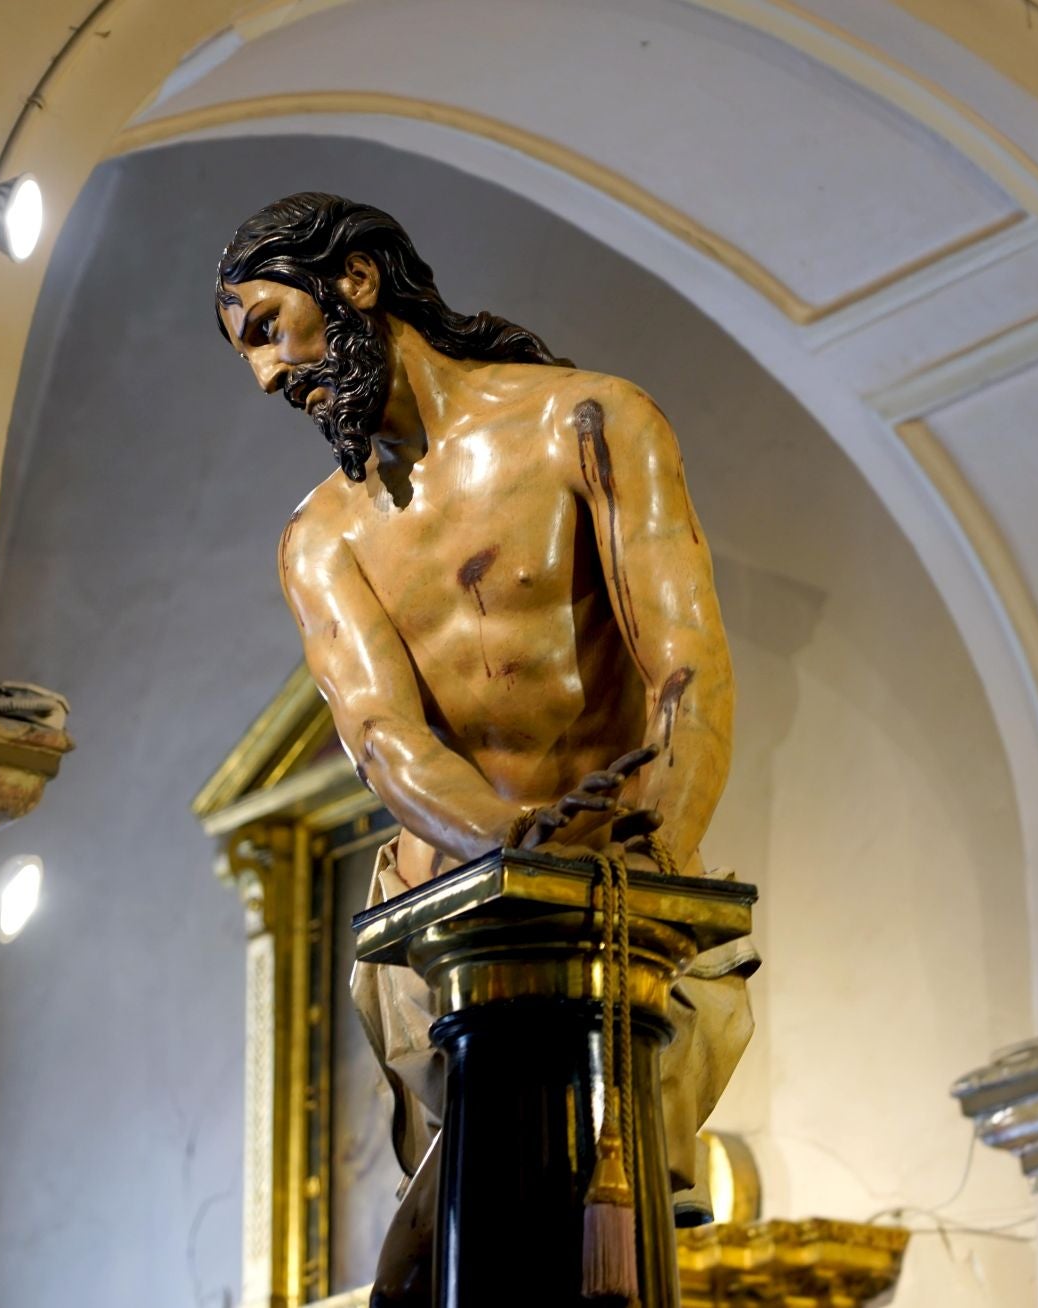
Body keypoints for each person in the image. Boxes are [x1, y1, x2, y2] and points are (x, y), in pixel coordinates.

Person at [214, 193, 758, 1302]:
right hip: (451, 937)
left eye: (269, 326)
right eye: (247, 351)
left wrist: (656, 855)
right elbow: (384, 740)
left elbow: (687, 668)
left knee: (587, 1242)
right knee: (463, 1250)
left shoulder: (589, 424)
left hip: (624, 906)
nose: (267, 376)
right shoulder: (323, 535)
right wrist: (519, 857)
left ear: (355, 280)